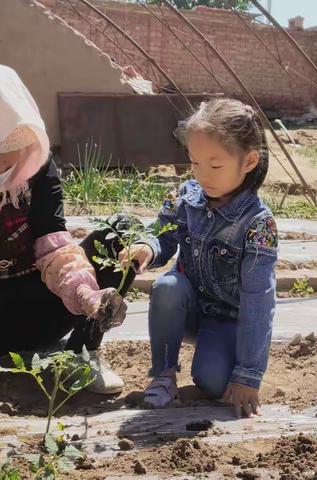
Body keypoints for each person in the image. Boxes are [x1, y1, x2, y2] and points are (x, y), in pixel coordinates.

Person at [123, 98, 278, 417]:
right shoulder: (185, 197)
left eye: (215, 165)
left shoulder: (258, 224)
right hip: (190, 306)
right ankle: (163, 376)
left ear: (248, 161)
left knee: (212, 381)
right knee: (167, 286)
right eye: (195, 163)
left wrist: (248, 374)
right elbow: (162, 234)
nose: (202, 175)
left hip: (229, 319)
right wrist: (148, 248)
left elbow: (258, 301)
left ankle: (221, 356)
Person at [0, 65, 132, 394]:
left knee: (121, 234)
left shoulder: (39, 169)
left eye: (5, 155)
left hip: (39, 307)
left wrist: (86, 294)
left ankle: (82, 353)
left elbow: (54, 247)